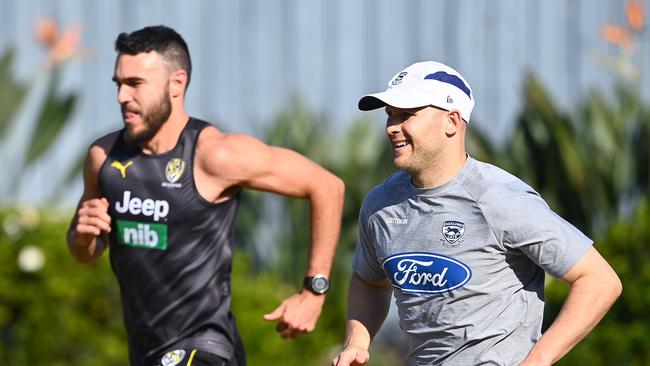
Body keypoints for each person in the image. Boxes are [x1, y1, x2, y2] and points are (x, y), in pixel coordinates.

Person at [66, 25, 344, 366]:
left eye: (136, 84)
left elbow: (327, 186)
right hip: (146, 353)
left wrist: (313, 293)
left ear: (176, 84)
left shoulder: (216, 155)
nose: (123, 96)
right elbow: (86, 251)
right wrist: (82, 237)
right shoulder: (104, 157)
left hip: (206, 348)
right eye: (119, 84)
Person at [332, 61, 622, 366]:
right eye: (389, 115)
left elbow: (599, 280)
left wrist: (538, 360)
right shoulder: (381, 204)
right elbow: (370, 280)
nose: (392, 127)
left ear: (452, 122)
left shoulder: (499, 199)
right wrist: (357, 342)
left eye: (406, 115)